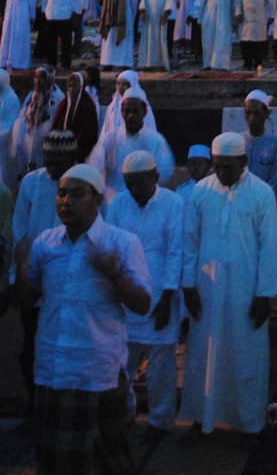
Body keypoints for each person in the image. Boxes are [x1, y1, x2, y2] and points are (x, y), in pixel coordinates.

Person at [14, 163, 150, 475]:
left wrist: (115, 275)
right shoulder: (45, 243)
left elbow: (143, 304)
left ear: (98, 199)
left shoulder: (121, 243)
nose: (66, 201)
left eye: (77, 194)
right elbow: (25, 300)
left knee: (105, 460)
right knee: (55, 460)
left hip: (96, 373)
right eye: (61, 194)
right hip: (52, 369)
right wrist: (21, 270)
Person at [180, 132, 277, 437]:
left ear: (243, 162)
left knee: (246, 356)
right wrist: (188, 286)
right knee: (203, 355)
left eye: (228, 166)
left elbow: (269, 247)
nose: (222, 173)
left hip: (245, 290)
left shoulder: (262, 194)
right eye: (217, 166)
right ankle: (201, 417)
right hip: (207, 290)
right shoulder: (200, 192)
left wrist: (264, 294)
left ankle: (249, 423)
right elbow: (189, 242)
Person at [106, 150, 183, 445]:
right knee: (121, 362)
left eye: (140, 183)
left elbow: (176, 251)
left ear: (155, 177)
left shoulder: (172, 203)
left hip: (161, 294)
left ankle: (161, 420)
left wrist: (166, 298)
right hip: (126, 295)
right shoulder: (119, 203)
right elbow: (111, 247)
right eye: (129, 184)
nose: (134, 190)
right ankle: (123, 413)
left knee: (161, 365)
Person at [12, 130, 79, 396]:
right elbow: (19, 231)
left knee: (69, 346)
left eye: (59, 160)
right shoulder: (31, 183)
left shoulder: (84, 183)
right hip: (35, 278)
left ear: (72, 158)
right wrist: (19, 275)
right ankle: (35, 405)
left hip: (70, 281)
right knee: (33, 345)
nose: (53, 166)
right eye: (49, 159)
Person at [89, 88, 175, 204]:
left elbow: (164, 172)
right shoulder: (110, 138)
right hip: (113, 202)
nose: (130, 116)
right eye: (127, 111)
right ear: (121, 112)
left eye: (135, 111)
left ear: (144, 112)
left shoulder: (155, 140)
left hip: (144, 202)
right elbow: (94, 165)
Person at [235, 0, 276, 71]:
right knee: (245, 39)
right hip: (246, 15)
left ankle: (258, 62)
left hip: (260, 14)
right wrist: (238, 12)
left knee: (259, 40)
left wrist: (272, 15)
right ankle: (247, 62)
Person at [242, 89, 277, 190]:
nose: (252, 118)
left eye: (257, 113)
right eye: (248, 113)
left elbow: (274, 179)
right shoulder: (238, 141)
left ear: (267, 114)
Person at [51, 70, 100, 159]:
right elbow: (56, 125)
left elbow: (88, 132)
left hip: (79, 151)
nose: (71, 89)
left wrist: (74, 149)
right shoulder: (64, 104)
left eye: (74, 86)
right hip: (61, 148)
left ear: (81, 87)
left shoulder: (88, 105)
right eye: (69, 86)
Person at [98, 0, 139, 69]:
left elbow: (134, 2)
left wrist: (130, 16)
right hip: (110, 17)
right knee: (109, 40)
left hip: (125, 18)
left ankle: (124, 64)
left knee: (123, 42)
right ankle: (107, 63)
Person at [138, 0, 175, 71]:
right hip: (149, 11)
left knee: (161, 37)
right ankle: (147, 63)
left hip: (161, 12)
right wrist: (142, 9)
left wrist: (166, 12)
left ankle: (160, 63)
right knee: (147, 37)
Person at [0, 0, 36, 70]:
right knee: (7, 36)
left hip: (22, 15)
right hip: (10, 15)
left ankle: (19, 62)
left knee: (20, 37)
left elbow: (32, 1)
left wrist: (32, 16)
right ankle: (5, 60)